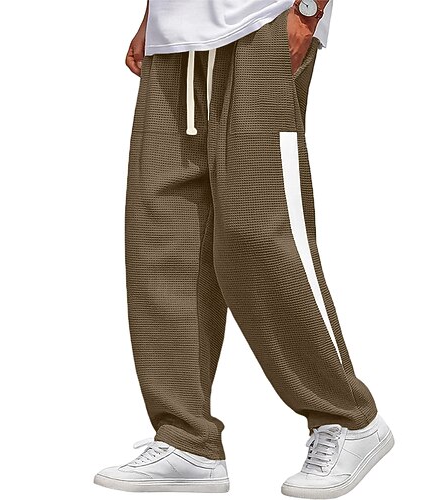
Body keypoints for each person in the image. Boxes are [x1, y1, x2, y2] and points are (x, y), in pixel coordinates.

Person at [94, 1, 394, 498]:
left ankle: (348, 419)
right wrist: (153, 15)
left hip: (261, 20)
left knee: (257, 231)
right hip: (176, 34)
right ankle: (187, 441)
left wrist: (309, 10)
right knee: (164, 236)